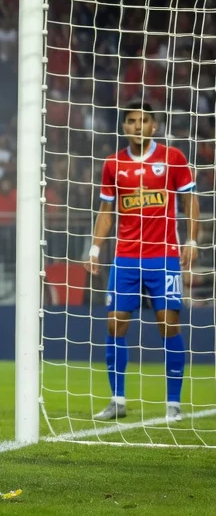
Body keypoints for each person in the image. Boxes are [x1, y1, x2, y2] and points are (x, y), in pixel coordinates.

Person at [85, 102, 197, 423]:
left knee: (168, 325)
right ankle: (117, 399)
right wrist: (95, 249)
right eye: (132, 121)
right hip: (126, 257)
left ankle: (173, 403)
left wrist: (191, 239)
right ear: (124, 126)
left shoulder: (172, 158)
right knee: (114, 324)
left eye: (144, 120)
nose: (137, 126)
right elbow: (107, 211)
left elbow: (191, 200)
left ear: (154, 126)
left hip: (164, 257)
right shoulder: (112, 164)